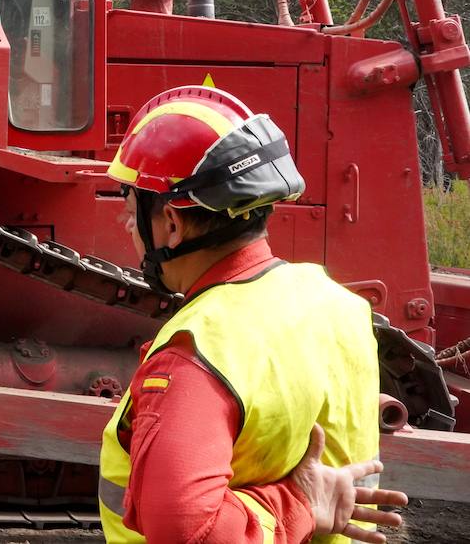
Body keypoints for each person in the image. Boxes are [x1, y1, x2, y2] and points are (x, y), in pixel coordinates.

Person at [98, 85, 408, 544]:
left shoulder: (198, 350)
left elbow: (188, 531)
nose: (127, 225)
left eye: (133, 211)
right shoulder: (337, 303)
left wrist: (298, 504)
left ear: (171, 224)